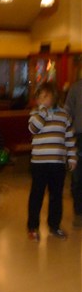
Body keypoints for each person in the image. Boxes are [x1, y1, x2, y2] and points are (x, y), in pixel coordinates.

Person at [27, 82, 77, 241]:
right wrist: (43, 111)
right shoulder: (36, 113)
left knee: (56, 196)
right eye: (39, 97)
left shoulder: (64, 115)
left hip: (57, 163)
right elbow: (33, 129)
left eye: (45, 97)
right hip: (39, 163)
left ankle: (54, 226)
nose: (41, 100)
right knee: (37, 195)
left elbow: (69, 138)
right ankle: (32, 227)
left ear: (54, 97)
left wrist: (72, 156)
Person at [65, 76, 82, 228]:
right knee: (77, 177)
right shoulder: (76, 88)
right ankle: (78, 212)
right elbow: (67, 111)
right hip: (79, 136)